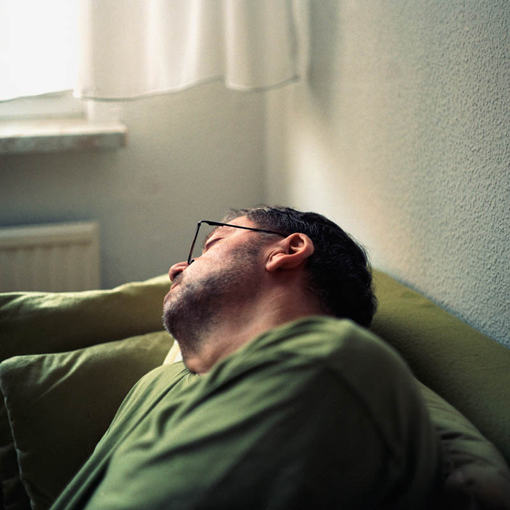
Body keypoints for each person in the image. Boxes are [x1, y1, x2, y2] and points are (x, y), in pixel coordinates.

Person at [51, 206, 441, 509]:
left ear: (287, 249)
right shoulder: (156, 384)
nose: (175, 269)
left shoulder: (325, 363)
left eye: (212, 244)